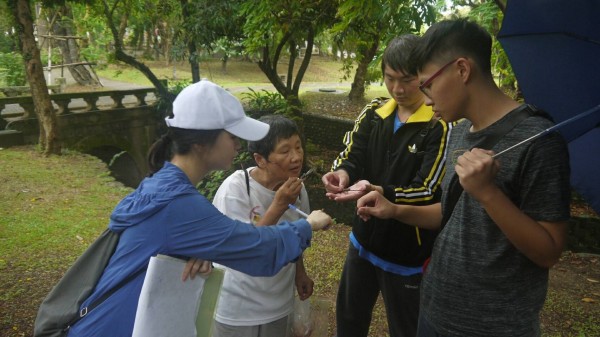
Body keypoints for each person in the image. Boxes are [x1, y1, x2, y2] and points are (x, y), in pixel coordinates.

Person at [66, 80, 332, 337]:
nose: (238, 145)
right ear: (201, 143)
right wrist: (307, 225)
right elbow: (257, 249)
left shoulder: (163, 184)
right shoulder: (181, 205)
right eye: (231, 136)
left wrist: (196, 251)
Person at [356, 19, 571, 337]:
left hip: (491, 326)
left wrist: (489, 193)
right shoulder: (458, 133)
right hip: (434, 309)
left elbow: (549, 251)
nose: (426, 99)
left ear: (461, 70)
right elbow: (450, 214)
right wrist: (394, 209)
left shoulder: (539, 141)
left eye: (427, 85)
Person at [321, 35, 450, 337]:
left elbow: (428, 189)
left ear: (425, 76)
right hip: (362, 240)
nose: (398, 89)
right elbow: (352, 156)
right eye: (390, 78)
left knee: (406, 328)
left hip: (407, 252)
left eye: (408, 80)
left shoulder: (438, 124)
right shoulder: (374, 113)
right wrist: (341, 174)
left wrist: (382, 193)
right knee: (350, 320)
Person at [210, 114, 315, 337]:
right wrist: (279, 204)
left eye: (298, 147)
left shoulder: (298, 190)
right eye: (285, 151)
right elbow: (246, 249)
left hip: (279, 304)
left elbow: (295, 236)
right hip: (239, 307)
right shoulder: (236, 189)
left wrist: (300, 273)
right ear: (260, 159)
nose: (296, 157)